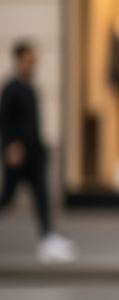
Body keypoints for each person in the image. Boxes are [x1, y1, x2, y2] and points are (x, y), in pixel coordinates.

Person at [0, 41, 77, 262]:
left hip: (34, 154)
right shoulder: (11, 88)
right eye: (28, 58)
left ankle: (48, 239)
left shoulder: (31, 87)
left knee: (42, 196)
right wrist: (10, 145)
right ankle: (48, 238)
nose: (32, 62)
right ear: (19, 60)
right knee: (7, 199)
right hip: (17, 155)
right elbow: (4, 120)